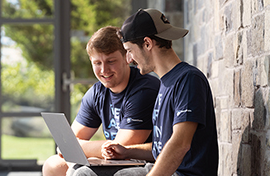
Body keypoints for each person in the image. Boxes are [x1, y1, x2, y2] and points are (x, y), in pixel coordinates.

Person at [71, 8, 219, 176]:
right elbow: (160, 149)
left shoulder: (188, 79)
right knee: (83, 173)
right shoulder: (164, 83)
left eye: (129, 50)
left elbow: (180, 144)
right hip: (166, 168)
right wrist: (127, 151)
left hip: (183, 173)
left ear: (148, 44)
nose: (129, 59)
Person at [41, 26, 160, 176]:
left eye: (111, 61)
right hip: (111, 160)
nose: (104, 70)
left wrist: (82, 147)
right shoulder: (97, 92)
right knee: (53, 165)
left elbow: (121, 147)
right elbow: (68, 143)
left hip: (141, 162)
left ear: (126, 57)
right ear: (91, 61)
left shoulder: (144, 89)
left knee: (80, 172)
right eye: (97, 63)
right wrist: (92, 148)